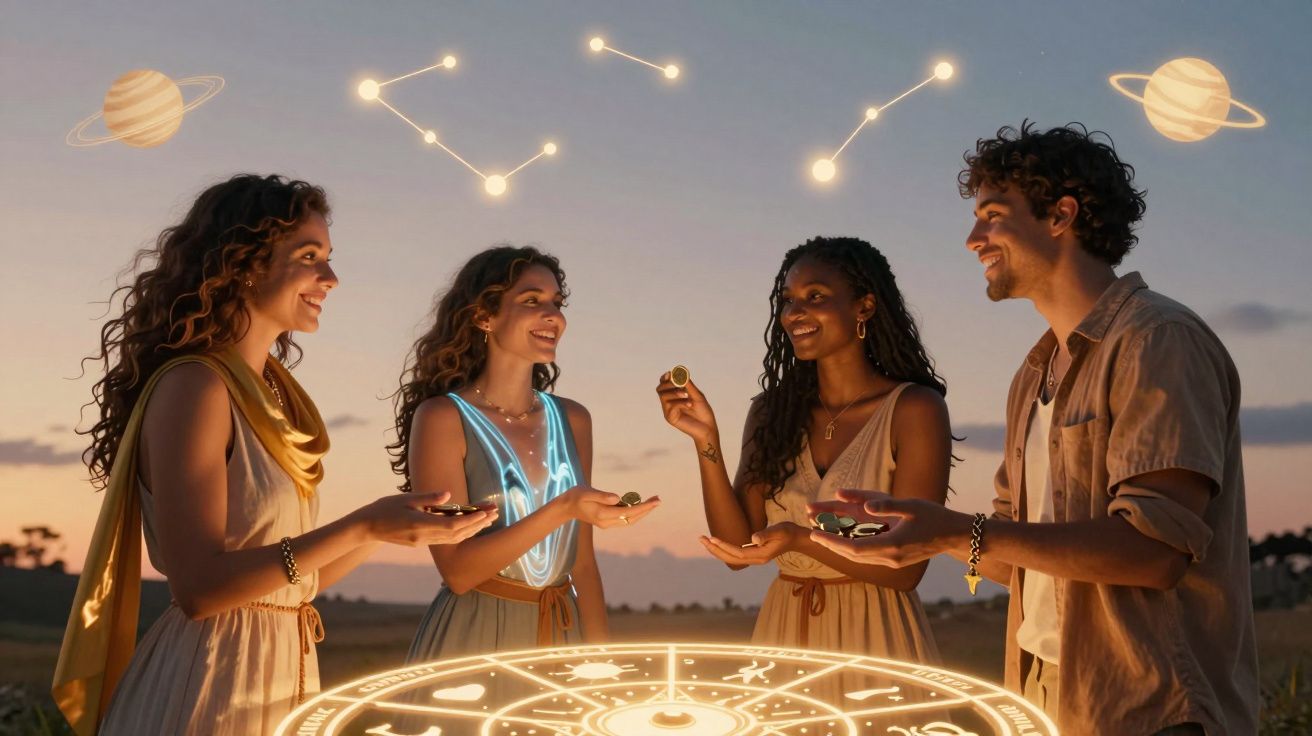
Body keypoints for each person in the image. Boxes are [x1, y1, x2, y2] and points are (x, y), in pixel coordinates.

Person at [810, 122, 1258, 735]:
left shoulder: (1158, 341)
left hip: (1150, 710)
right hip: (1046, 694)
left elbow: (1155, 553)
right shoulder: (1034, 373)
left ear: (1061, 215)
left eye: (992, 215)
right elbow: (1013, 554)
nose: (972, 239)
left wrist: (959, 529)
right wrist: (926, 534)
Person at [51, 174, 496, 736]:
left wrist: (379, 529)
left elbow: (289, 582)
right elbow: (199, 589)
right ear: (243, 262)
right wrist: (361, 522)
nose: (331, 278)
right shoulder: (197, 386)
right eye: (309, 256)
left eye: (329, 257)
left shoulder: (273, 395)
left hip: (282, 670)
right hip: (210, 682)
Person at [656, 236, 950, 658]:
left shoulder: (914, 409)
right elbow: (738, 552)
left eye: (816, 296)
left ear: (864, 307)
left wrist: (799, 538)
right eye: (787, 300)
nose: (795, 313)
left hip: (877, 639)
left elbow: (906, 570)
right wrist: (707, 442)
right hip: (785, 634)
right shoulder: (772, 413)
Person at [390, 245, 659, 660]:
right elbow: (458, 572)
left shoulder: (574, 419)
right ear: (484, 316)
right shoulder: (443, 418)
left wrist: (603, 664)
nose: (554, 316)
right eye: (532, 301)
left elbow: (582, 563)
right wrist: (565, 507)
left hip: (561, 630)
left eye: (557, 302)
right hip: (475, 636)